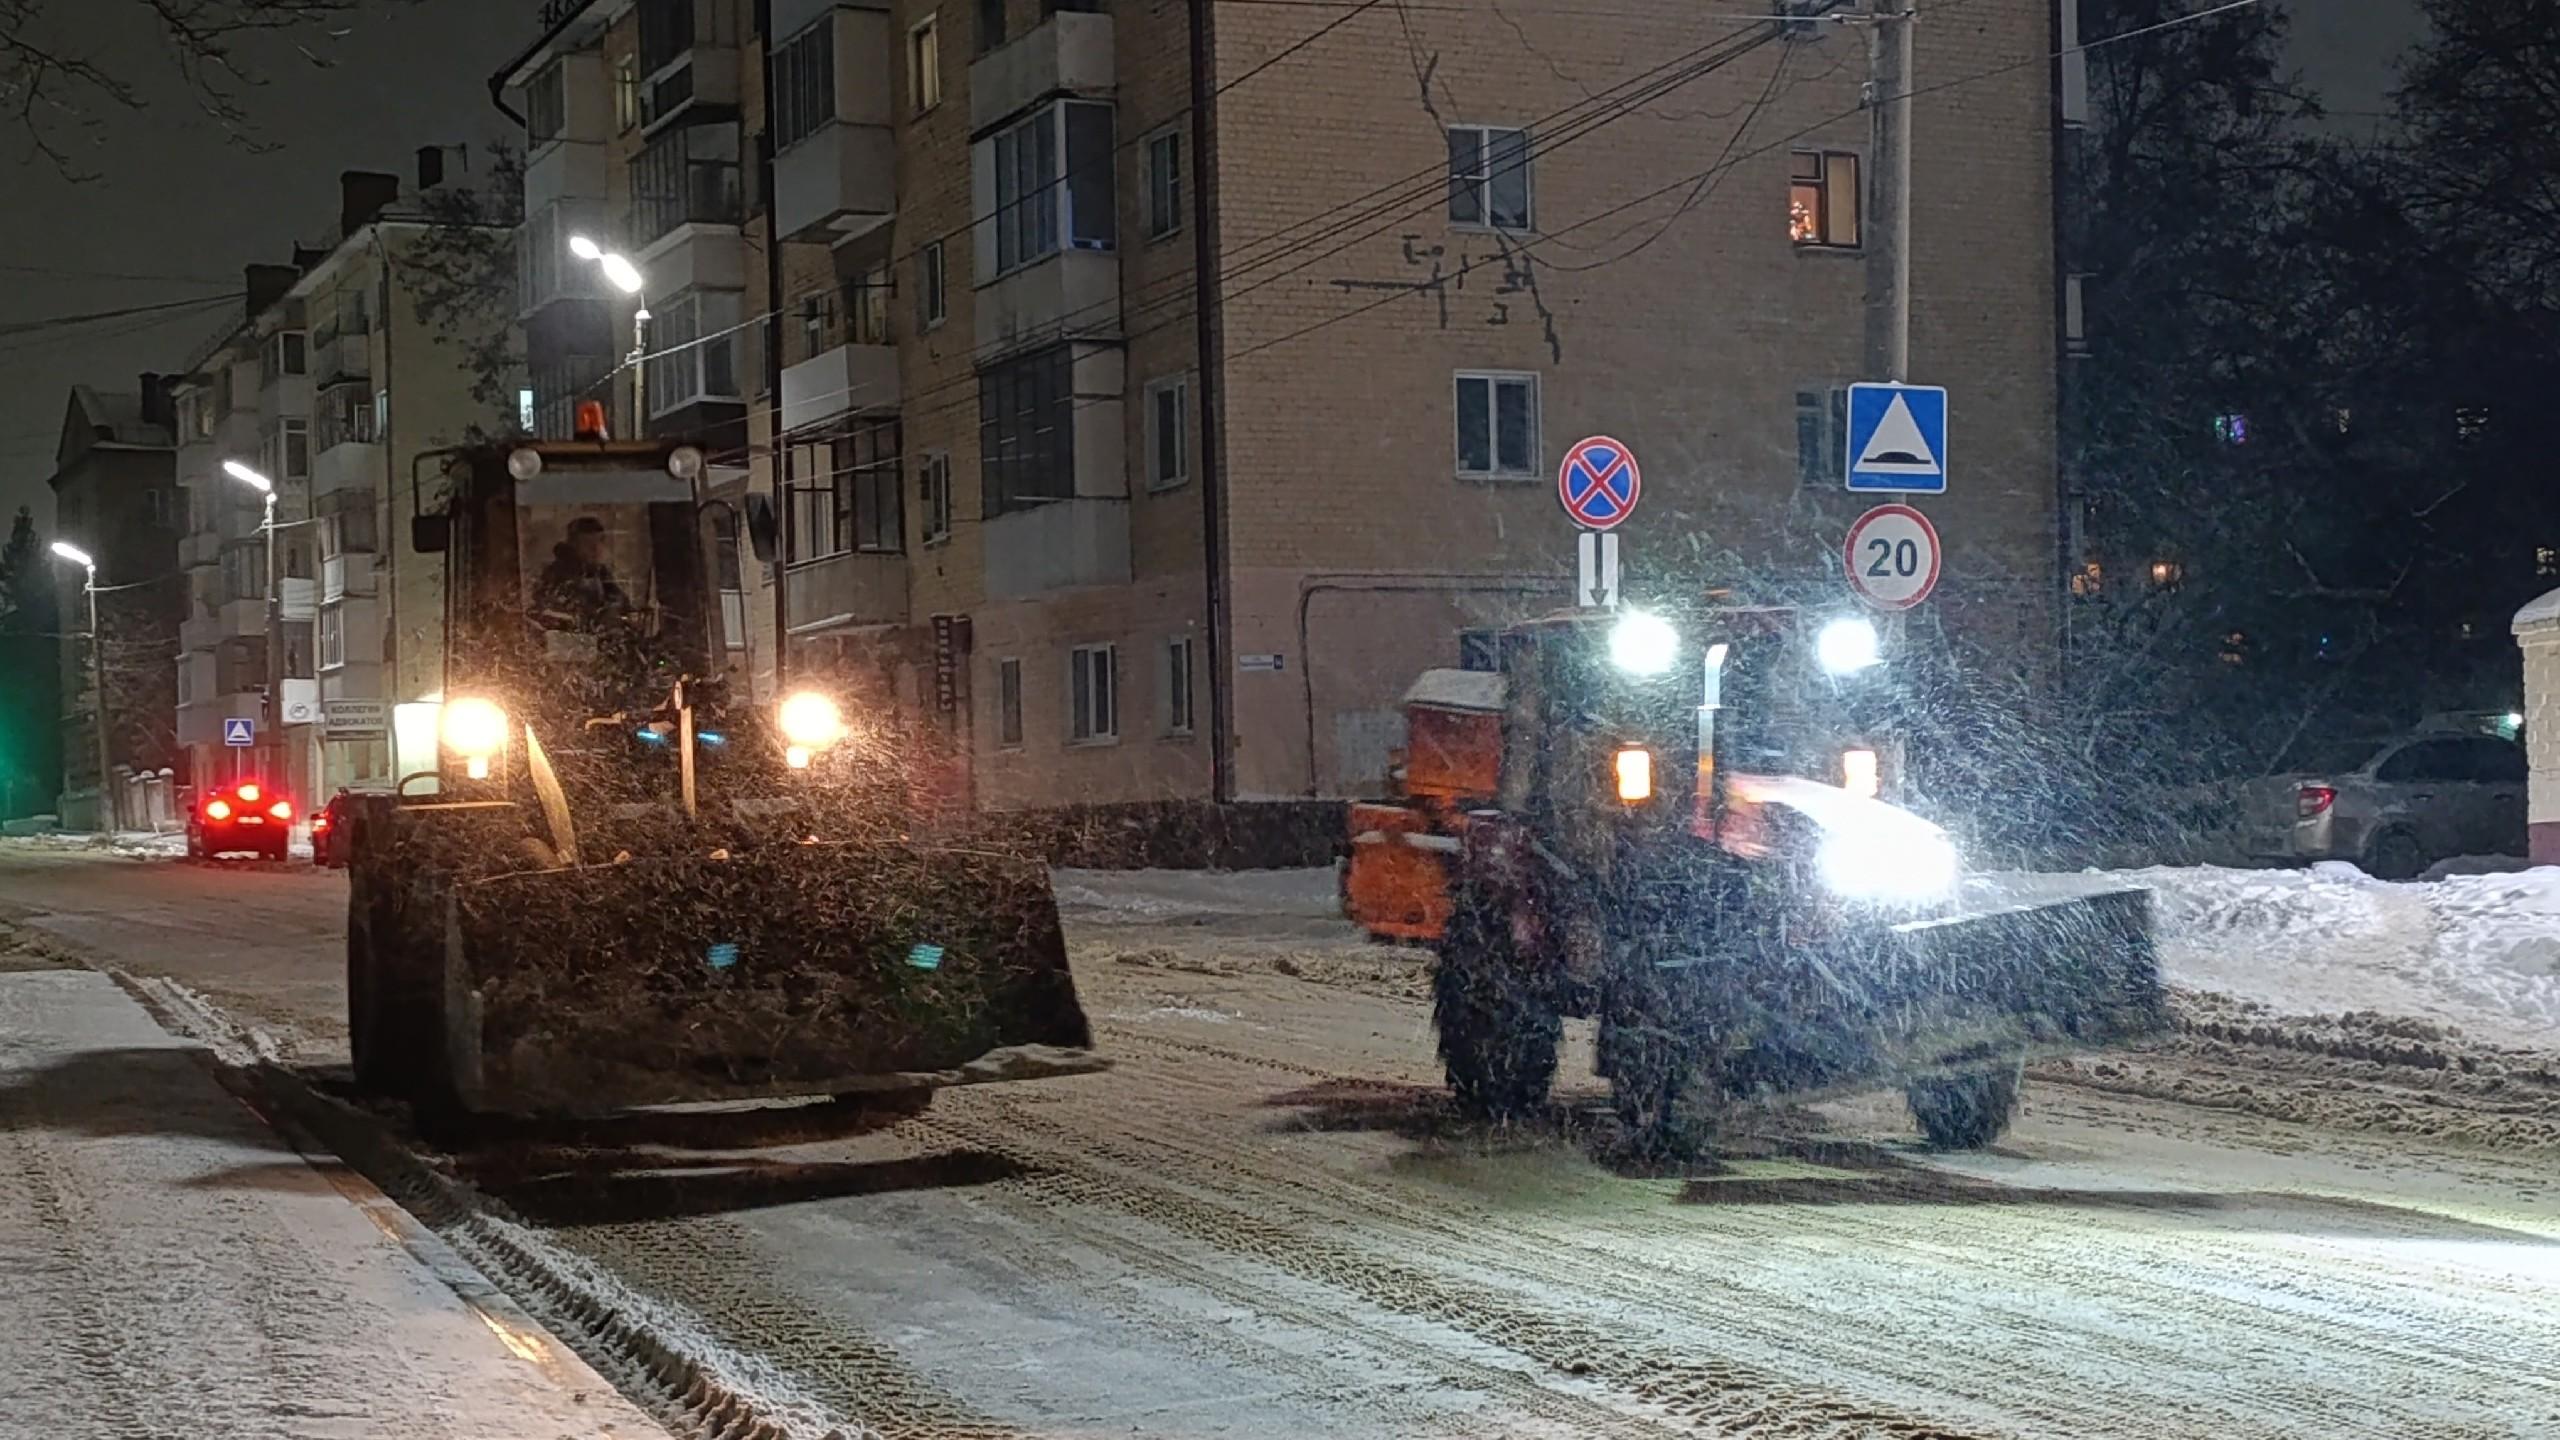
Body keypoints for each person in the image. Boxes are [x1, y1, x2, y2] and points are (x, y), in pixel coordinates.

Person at [534, 516, 632, 630]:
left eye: (599, 541)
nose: (595, 549)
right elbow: (549, 607)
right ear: (574, 545)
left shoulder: (600, 572)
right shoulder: (556, 573)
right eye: (588, 543)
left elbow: (619, 598)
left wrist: (611, 610)